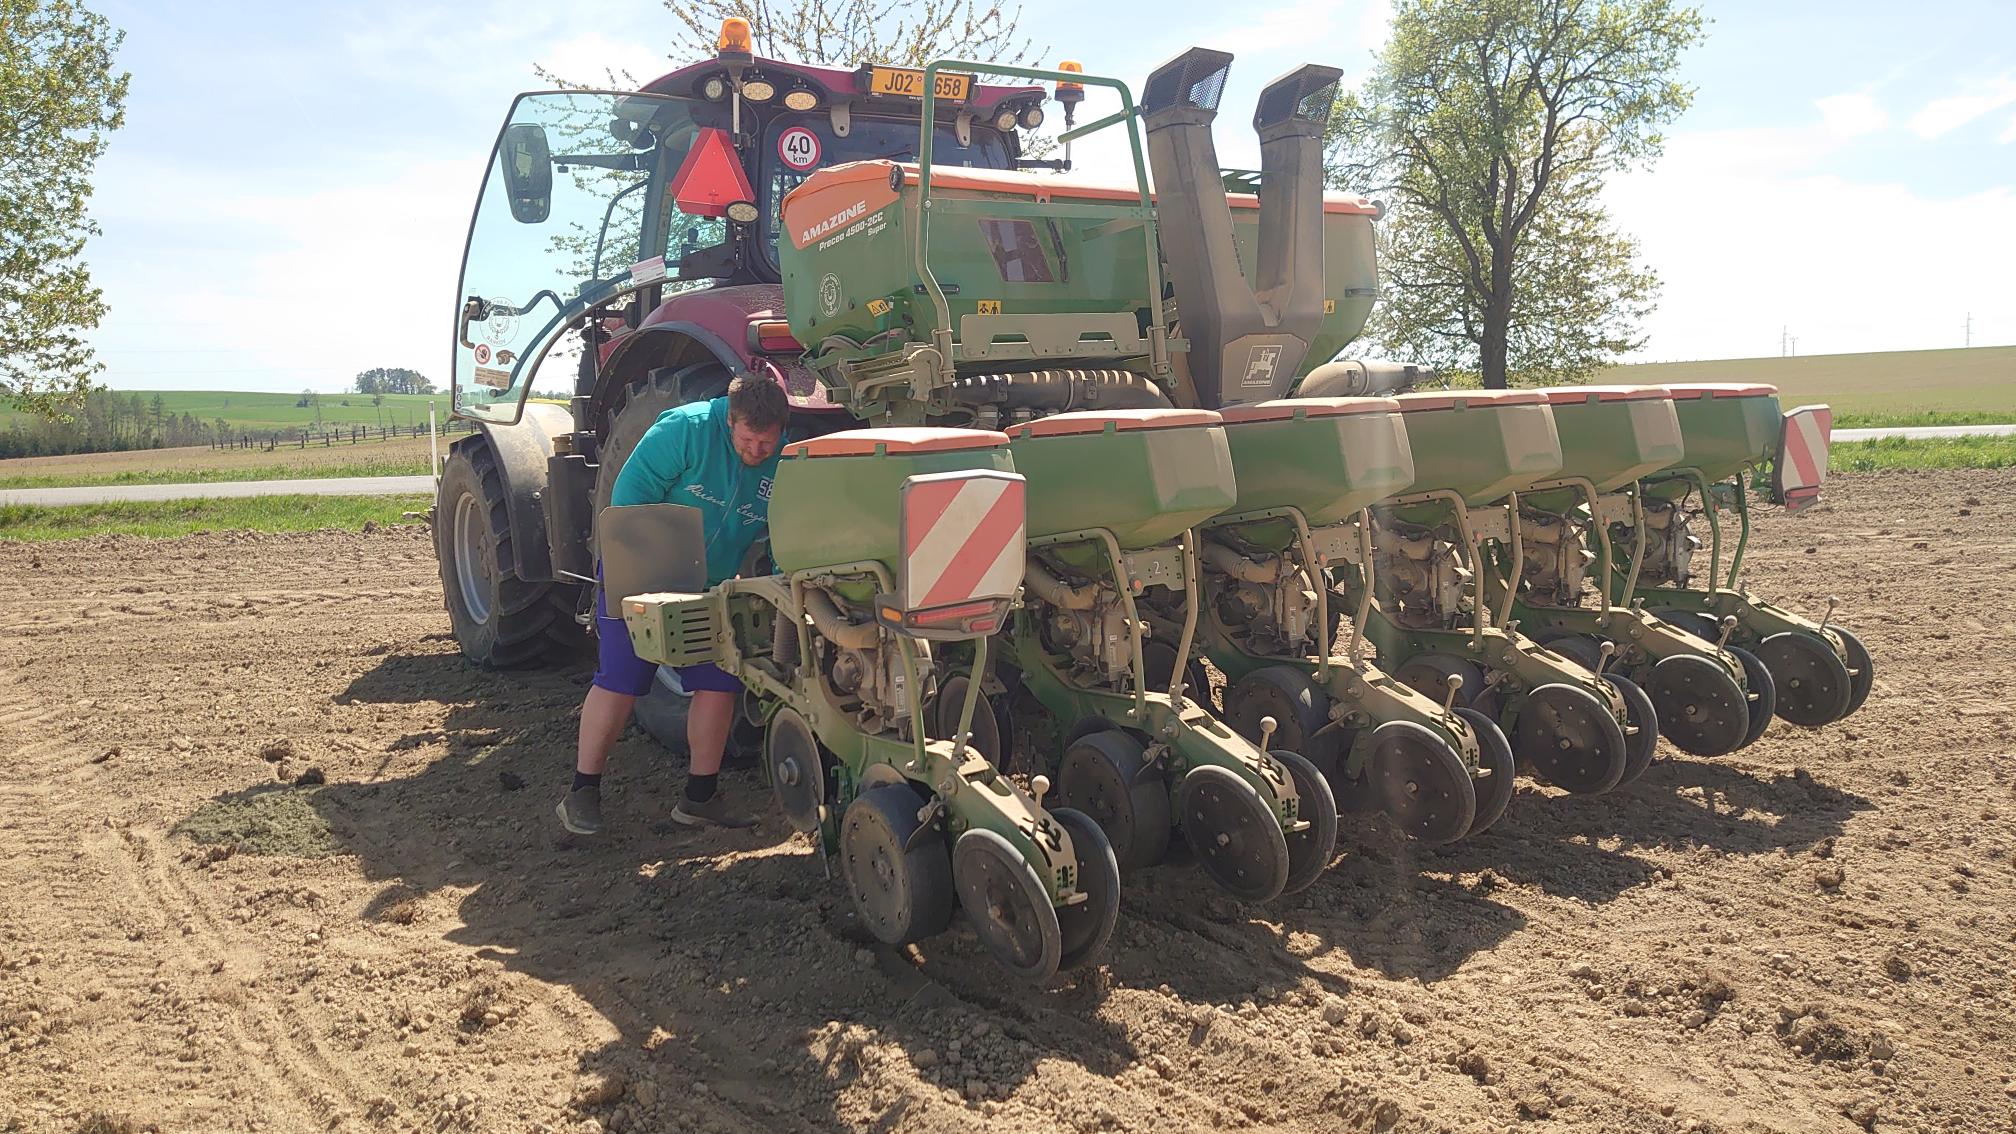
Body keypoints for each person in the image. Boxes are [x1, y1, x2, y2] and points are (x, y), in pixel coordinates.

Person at [557, 374, 790, 835]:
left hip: (712, 582)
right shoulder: (683, 431)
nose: (757, 451)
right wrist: (651, 582)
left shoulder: (783, 459)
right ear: (730, 421)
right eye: (748, 440)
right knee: (622, 679)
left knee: (719, 681)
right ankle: (582, 792)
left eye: (767, 442)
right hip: (642, 569)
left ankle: (699, 798)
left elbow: (782, 527)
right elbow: (629, 502)